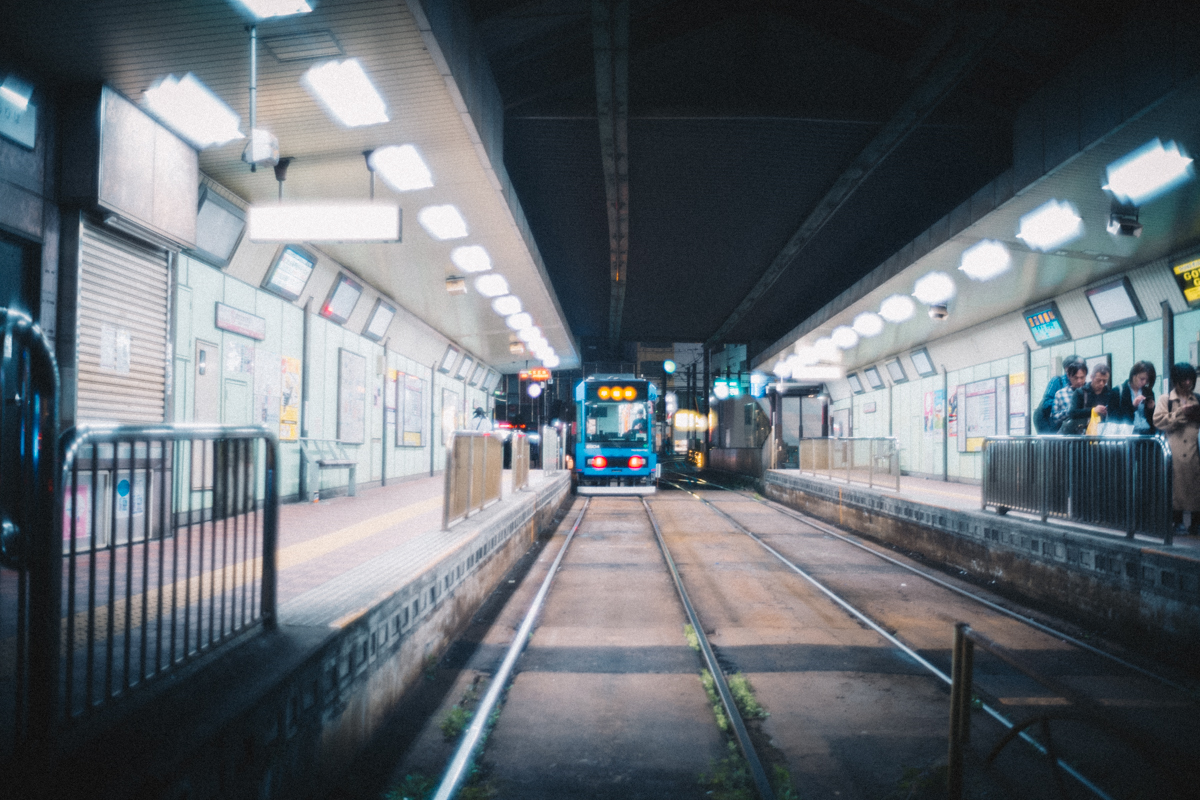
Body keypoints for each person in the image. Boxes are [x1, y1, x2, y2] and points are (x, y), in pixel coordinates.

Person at [1152, 363, 1200, 535]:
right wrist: (1181, 413)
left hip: (1195, 447)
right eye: (1184, 380)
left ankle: (1196, 521)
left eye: (1191, 380)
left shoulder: (1198, 398)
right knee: (1176, 485)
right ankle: (1177, 520)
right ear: (1176, 380)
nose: (1188, 383)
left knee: (1196, 484)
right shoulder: (1166, 399)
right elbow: (1158, 420)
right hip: (1175, 447)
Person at [1061, 363, 1118, 435]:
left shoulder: (1110, 393)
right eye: (1098, 380)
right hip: (1082, 434)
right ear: (1091, 377)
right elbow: (1072, 413)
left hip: (1102, 433)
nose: (1101, 383)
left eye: (1105, 381)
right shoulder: (1080, 392)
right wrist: (1093, 410)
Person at [1035, 355, 1086, 434]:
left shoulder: (1083, 385)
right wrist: (1064, 404)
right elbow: (1046, 403)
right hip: (1050, 425)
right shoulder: (1057, 381)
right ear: (1067, 369)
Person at [1113, 361, 1157, 433]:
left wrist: (1151, 409)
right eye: (1142, 379)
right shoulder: (1117, 391)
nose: (1144, 383)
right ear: (1133, 375)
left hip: (1147, 433)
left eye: (1147, 380)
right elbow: (1114, 417)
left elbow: (1152, 418)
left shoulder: (1149, 392)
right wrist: (1132, 407)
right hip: (1127, 434)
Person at [1050, 360, 1088, 432]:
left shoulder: (1090, 392)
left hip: (1088, 436)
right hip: (1068, 436)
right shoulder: (1060, 394)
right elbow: (1054, 418)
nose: (1079, 381)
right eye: (1076, 378)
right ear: (1068, 376)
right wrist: (1069, 410)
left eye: (1082, 377)